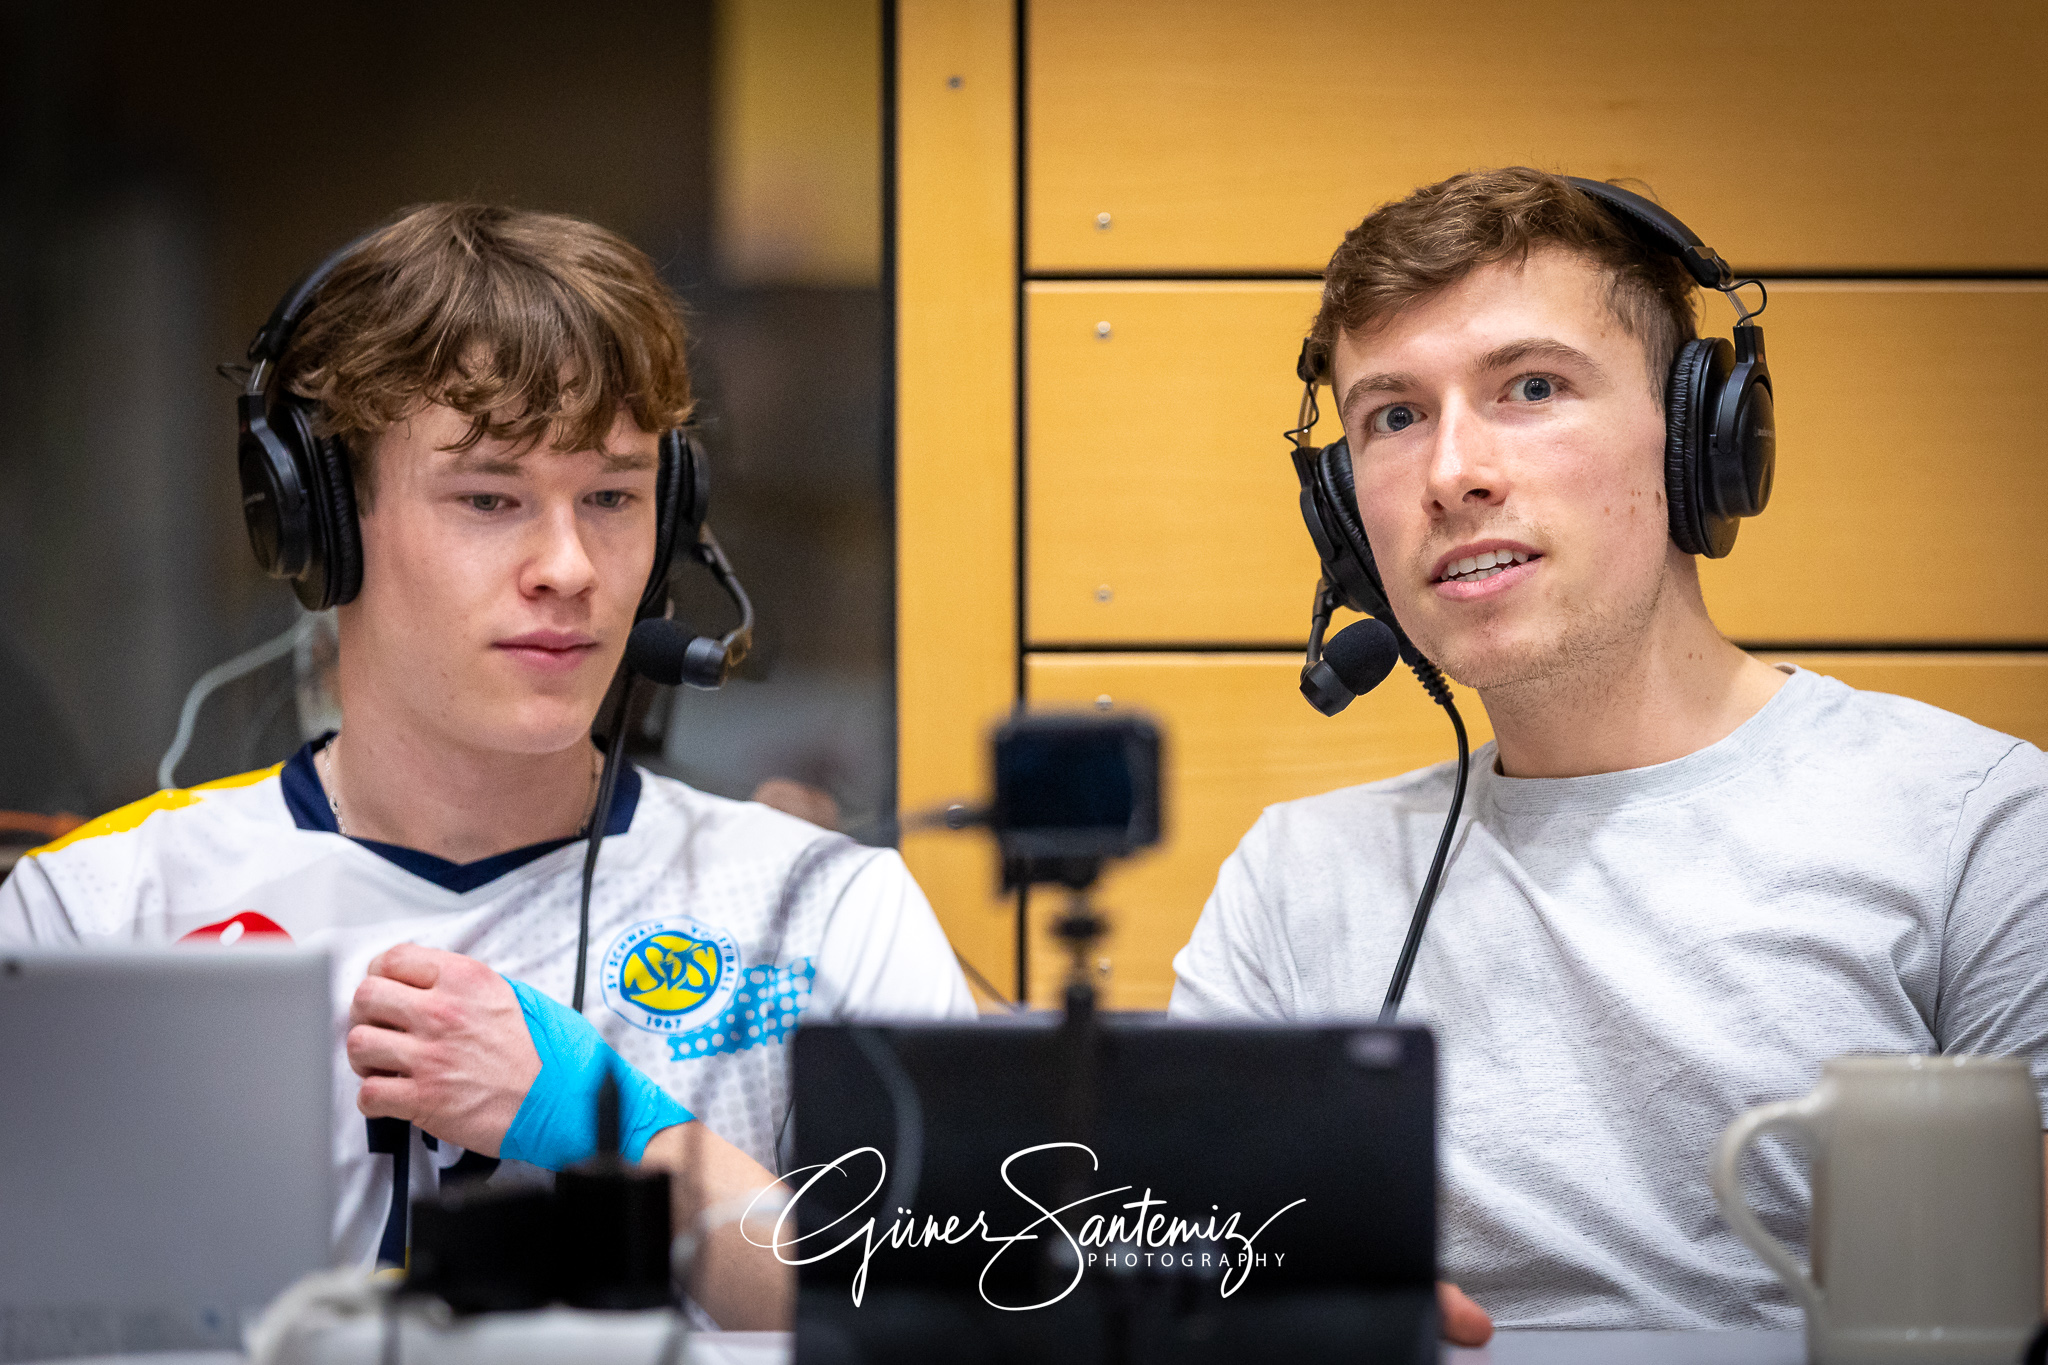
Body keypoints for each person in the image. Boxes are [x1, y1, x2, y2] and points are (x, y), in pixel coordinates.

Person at [0, 203, 975, 1328]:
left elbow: (964, 1329)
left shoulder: (819, 910)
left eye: (611, 498)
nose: (568, 567)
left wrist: (632, 1137)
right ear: (321, 522)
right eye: (489, 498)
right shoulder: (99, 918)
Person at [1169, 168, 2048, 1342]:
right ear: (1341, 515)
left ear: (1697, 443)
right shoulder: (1294, 879)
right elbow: (1168, 1283)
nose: (1450, 474)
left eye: (1530, 388)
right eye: (1391, 416)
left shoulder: (1976, 828)